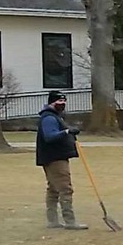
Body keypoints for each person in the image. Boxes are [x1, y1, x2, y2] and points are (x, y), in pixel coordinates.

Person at [36, 90, 86, 230]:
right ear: (52, 102)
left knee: (53, 188)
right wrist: (67, 132)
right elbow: (50, 136)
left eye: (64, 101)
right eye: (59, 101)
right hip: (55, 158)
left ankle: (52, 221)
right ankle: (70, 221)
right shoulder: (49, 118)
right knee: (65, 189)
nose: (62, 104)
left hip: (55, 157)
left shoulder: (55, 116)